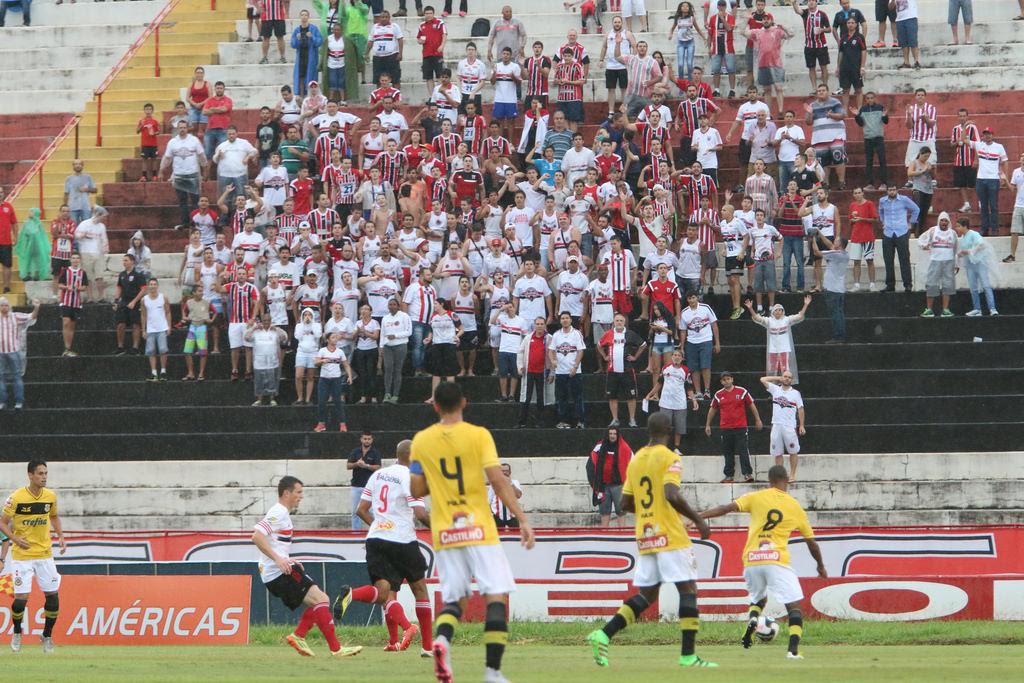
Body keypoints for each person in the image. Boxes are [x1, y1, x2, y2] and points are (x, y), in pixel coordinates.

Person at [409, 382, 535, 683]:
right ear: (464, 403)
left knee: (456, 599)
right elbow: (498, 481)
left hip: (445, 530)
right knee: (495, 595)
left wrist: (436, 479)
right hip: (478, 526)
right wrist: (521, 519)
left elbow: (416, 489)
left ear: (435, 406)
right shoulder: (478, 436)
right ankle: (492, 671)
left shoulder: (421, 441)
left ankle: (442, 642)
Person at [586, 413, 716, 669]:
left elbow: (624, 503)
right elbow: (671, 493)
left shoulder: (635, 460)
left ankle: (603, 634)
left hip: (646, 535)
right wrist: (698, 520)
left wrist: (650, 512)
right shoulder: (670, 457)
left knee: (647, 595)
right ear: (668, 429)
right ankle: (688, 655)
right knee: (688, 590)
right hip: (670, 533)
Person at [699, 464, 827, 658]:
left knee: (759, 598)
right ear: (786, 481)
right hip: (776, 559)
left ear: (769, 480)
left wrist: (699, 516)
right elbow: (812, 543)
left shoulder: (756, 497)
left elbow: (726, 508)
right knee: (794, 607)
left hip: (752, 559)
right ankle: (792, 651)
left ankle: (753, 618)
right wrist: (820, 566)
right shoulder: (794, 506)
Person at [334, 439, 432, 654]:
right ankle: (427, 647)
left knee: (383, 593)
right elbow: (420, 514)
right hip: (402, 540)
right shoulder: (412, 477)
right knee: (420, 589)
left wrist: (380, 526)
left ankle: (352, 594)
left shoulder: (377, 475)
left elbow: (361, 510)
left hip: (376, 538)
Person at [252, 475, 362, 658]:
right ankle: (335, 648)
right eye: (298, 492)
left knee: (322, 599)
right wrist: (279, 560)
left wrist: (288, 559)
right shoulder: (278, 512)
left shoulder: (282, 513)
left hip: (278, 570)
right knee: (320, 600)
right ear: (286, 493)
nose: (301, 496)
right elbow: (256, 536)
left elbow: (274, 542)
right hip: (277, 573)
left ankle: (299, 636)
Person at [706, 371, 762, 484]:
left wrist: (758, 419)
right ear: (721, 382)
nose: (726, 381)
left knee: (743, 450)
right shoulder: (718, 395)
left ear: (732, 379)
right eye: (724, 379)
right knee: (728, 452)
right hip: (726, 428)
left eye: (728, 379)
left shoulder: (742, 391)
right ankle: (729, 475)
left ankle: (747, 474)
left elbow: (751, 405)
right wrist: (708, 424)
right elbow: (712, 409)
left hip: (740, 427)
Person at [598, 313, 647, 428]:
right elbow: (599, 345)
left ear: (624, 322)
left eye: (621, 320)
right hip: (612, 370)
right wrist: (605, 357)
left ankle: (632, 419)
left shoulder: (629, 334)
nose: (619, 322)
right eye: (617, 321)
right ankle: (615, 419)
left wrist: (635, 357)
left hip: (627, 370)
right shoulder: (608, 334)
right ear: (613, 322)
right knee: (612, 396)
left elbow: (643, 345)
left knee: (631, 396)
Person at [645, 349, 698, 453]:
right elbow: (659, 383)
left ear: (682, 358)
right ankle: (663, 447)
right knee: (664, 426)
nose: (676, 357)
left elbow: (689, 387)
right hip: (665, 403)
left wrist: (694, 400)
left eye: (679, 355)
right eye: (674, 355)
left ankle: (676, 448)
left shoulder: (685, 370)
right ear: (672, 357)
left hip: (680, 403)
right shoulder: (665, 368)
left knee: (679, 427)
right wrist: (650, 394)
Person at [747, 296, 810, 382]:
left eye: (780, 310)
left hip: (785, 348)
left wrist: (805, 304)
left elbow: (800, 316)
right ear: (773, 312)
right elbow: (757, 318)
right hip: (773, 349)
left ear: (783, 311)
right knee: (773, 369)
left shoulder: (787, 320)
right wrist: (750, 308)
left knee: (786, 368)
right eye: (776, 310)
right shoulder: (769, 321)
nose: (778, 312)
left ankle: (787, 385)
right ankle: (774, 388)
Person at [162, 121, 208, 229]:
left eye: (184, 127)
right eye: (180, 128)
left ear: (187, 128)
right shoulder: (172, 142)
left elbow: (202, 155)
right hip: (179, 175)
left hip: (193, 174)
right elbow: (167, 158)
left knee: (195, 200)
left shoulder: (194, 140)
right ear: (177, 129)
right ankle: (185, 222)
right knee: (182, 201)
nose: (182, 129)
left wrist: (205, 169)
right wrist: (161, 170)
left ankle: (197, 223)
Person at [760, 372, 806, 480]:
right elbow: (762, 379)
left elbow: (801, 409)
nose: (787, 379)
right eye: (785, 377)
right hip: (776, 425)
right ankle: (780, 477)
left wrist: (802, 425)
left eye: (789, 377)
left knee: (793, 451)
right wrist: (778, 378)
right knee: (778, 452)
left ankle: (792, 475)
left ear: (792, 380)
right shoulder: (775, 389)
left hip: (789, 426)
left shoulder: (795, 393)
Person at [586, 427, 633, 527]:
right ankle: (604, 539)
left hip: (619, 486)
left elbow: (633, 466)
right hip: (603, 487)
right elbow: (590, 466)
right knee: (604, 513)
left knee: (621, 513)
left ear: (618, 435)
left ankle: (622, 539)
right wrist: (595, 484)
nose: (612, 436)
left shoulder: (625, 448)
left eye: (614, 434)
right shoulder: (599, 447)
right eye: (610, 433)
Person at [548, 312, 586, 429]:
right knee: (561, 398)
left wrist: (575, 367)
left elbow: (580, 351)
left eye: (567, 318)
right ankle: (563, 421)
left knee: (577, 397)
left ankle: (580, 421)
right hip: (560, 372)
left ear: (570, 320)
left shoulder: (576, 334)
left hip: (574, 372)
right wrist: (553, 361)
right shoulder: (556, 335)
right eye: (563, 318)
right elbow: (551, 350)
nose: (565, 320)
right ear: (560, 321)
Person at [678, 291, 719, 400]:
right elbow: (683, 330)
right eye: (689, 298)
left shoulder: (705, 308)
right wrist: (682, 346)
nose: (692, 300)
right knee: (693, 367)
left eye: (693, 297)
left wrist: (717, 343)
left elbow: (714, 324)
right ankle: (698, 392)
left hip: (706, 340)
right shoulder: (684, 312)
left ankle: (707, 390)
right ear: (687, 300)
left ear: (697, 298)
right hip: (691, 342)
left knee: (705, 366)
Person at [878, 185, 920, 291]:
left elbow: (916, 209)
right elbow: (881, 211)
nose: (892, 192)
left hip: (901, 231)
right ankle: (890, 284)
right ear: (887, 191)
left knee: (904, 259)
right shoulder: (882, 201)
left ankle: (908, 284)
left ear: (897, 190)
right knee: (888, 260)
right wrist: (883, 221)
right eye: (890, 190)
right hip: (888, 232)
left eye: (893, 190)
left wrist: (911, 223)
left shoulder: (904, 200)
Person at [0, 298, 39, 410]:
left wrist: (36, 307)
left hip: (13, 351)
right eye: (2, 305)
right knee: (0, 378)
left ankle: (19, 401)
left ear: (9, 306)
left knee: (17, 376)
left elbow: (31, 316)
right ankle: (2, 401)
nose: (4, 307)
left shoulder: (15, 316)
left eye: (6, 305)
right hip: (0, 352)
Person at [955, 216, 999, 317]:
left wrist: (970, 251)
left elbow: (982, 245)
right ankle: (977, 309)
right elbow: (965, 251)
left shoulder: (974, 234)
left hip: (979, 263)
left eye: (958, 226)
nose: (957, 228)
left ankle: (992, 308)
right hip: (970, 264)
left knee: (986, 285)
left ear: (965, 226)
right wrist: (960, 255)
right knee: (973, 287)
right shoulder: (962, 238)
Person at [917, 211, 958, 318]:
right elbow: (921, 239)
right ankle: (929, 309)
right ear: (939, 221)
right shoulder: (932, 231)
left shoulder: (953, 233)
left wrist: (956, 263)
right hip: (935, 261)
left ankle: (945, 309)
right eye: (942, 220)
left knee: (948, 285)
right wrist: (924, 246)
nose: (944, 222)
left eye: (946, 221)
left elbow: (956, 249)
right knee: (931, 284)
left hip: (949, 262)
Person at [972, 127, 1010, 237]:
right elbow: (964, 140)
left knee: (993, 205)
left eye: (989, 134)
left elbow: (1005, 161)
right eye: (985, 134)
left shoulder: (999, 147)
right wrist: (966, 126)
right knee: (983, 205)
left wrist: (1005, 177)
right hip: (981, 178)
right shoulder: (979, 145)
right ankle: (984, 228)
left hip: (993, 179)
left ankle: (994, 229)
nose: (987, 136)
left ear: (993, 135)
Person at [812, 234, 850, 342]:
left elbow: (816, 252)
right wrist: (819, 233)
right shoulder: (845, 254)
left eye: (837, 241)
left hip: (832, 289)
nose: (834, 242)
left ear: (840, 244)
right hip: (840, 289)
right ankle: (841, 336)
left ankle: (838, 337)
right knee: (840, 314)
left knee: (835, 315)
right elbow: (830, 245)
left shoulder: (836, 254)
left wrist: (813, 240)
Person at [314, 332, 354, 432]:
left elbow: (346, 365)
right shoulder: (322, 351)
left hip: (336, 379)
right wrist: (322, 361)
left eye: (336, 337)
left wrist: (349, 376)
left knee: (338, 402)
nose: (335, 339)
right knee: (321, 402)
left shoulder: (340, 352)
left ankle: (342, 424)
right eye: (333, 337)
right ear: (328, 340)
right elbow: (316, 362)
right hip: (324, 380)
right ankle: (321, 423)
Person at [517, 316, 551, 428]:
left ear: (545, 325)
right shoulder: (528, 338)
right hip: (529, 372)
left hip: (542, 372)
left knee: (541, 398)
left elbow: (553, 355)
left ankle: (540, 422)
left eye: (542, 324)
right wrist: (520, 366)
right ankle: (522, 422)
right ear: (534, 325)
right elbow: (520, 352)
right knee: (526, 397)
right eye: (537, 324)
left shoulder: (549, 338)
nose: (539, 326)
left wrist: (552, 371)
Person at [346, 431, 383, 530]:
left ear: (372, 440)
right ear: (361, 439)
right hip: (356, 486)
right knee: (355, 512)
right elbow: (348, 465)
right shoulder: (355, 452)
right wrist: (357, 464)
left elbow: (378, 467)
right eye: (365, 439)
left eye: (369, 439)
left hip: (370, 487)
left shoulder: (375, 453)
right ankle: (355, 533)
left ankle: (377, 530)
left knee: (372, 511)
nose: (367, 441)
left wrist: (366, 466)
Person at [853, 91, 889, 191]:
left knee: (882, 160)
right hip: (868, 138)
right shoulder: (863, 109)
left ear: (875, 98)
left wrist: (884, 116)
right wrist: (856, 115)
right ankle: (870, 184)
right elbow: (860, 123)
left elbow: (886, 121)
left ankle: (884, 183)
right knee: (869, 162)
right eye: (868, 98)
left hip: (878, 137)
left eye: (872, 98)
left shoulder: (880, 107)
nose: (870, 100)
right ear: (865, 99)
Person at [73, 206, 109, 302]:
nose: (104, 219)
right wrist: (83, 235)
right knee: (88, 277)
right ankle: (90, 297)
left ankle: (101, 296)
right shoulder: (84, 224)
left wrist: (105, 249)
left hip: (98, 253)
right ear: (98, 215)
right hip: (86, 252)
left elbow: (104, 239)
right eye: (103, 216)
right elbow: (76, 235)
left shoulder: (102, 227)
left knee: (99, 276)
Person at [380, 297, 411, 403]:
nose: (391, 306)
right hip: (388, 346)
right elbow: (382, 334)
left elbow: (408, 332)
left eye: (394, 304)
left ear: (398, 306)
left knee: (397, 370)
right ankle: (387, 393)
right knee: (388, 369)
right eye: (390, 304)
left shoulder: (404, 316)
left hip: (400, 345)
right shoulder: (385, 318)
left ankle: (395, 395)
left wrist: (396, 336)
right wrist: (381, 347)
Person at [140, 278, 172, 382]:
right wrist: (143, 330)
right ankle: (154, 373)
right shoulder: (144, 299)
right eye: (151, 284)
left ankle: (163, 372)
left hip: (162, 328)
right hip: (150, 329)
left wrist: (169, 326)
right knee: (151, 351)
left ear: (157, 286)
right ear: (148, 286)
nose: (153, 286)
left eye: (154, 284)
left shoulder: (164, 297)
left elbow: (168, 312)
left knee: (163, 350)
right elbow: (143, 315)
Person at [56, 252, 87, 357]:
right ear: (70, 260)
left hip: (76, 302)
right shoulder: (65, 271)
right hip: (66, 301)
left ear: (79, 260)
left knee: (72, 326)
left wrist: (78, 288)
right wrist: (66, 287)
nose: (75, 260)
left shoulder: (82, 273)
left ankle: (69, 348)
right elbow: (60, 284)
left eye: (77, 258)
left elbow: (84, 287)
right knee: (66, 322)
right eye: (73, 258)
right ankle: (66, 347)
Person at [906, 146, 934, 236]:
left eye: (928, 156)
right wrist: (922, 171)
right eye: (925, 156)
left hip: (928, 190)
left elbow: (933, 176)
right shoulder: (915, 162)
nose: (926, 158)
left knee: (924, 212)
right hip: (918, 188)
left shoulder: (928, 164)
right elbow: (909, 173)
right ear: (920, 154)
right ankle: (913, 231)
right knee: (917, 210)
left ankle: (920, 232)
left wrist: (931, 170)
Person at [62, 159, 97, 225]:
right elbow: (66, 193)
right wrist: (65, 207)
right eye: (76, 164)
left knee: (87, 226)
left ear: (82, 166)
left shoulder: (88, 177)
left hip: (85, 206)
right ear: (73, 166)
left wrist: (87, 189)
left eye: (79, 164)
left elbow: (95, 190)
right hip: (72, 207)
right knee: (73, 226)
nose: (78, 166)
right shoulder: (69, 179)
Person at [488, 463, 523, 529]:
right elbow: (489, 500)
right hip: (497, 516)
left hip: (512, 515)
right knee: (498, 537)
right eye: (502, 471)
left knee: (515, 536)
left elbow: (518, 495)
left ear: (510, 472)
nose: (504, 472)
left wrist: (510, 483)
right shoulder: (494, 484)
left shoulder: (515, 482)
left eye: (506, 470)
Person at [1005, 152, 1024, 263]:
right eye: (1022, 157)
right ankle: (1012, 255)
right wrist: (1006, 181)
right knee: (1014, 231)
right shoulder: (1016, 172)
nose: (1023, 159)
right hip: (1018, 205)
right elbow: (1012, 189)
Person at [892, 0, 921, 70]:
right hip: (899, 19)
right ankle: (906, 62)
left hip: (911, 18)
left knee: (913, 40)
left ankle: (916, 61)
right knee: (903, 42)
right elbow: (890, 7)